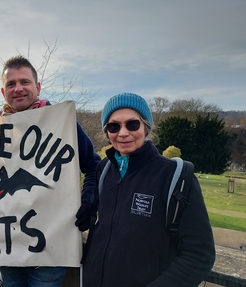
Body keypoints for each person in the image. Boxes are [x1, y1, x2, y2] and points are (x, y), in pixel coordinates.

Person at [82, 92, 215, 286]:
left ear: (146, 126)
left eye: (132, 124)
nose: (123, 133)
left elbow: (200, 254)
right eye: (114, 126)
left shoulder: (175, 176)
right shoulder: (104, 169)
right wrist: (87, 204)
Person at [0, 55, 100, 287]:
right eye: (11, 84)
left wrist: (88, 201)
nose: (18, 88)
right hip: (7, 244)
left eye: (25, 82)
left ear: (38, 87)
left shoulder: (62, 123)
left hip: (50, 245)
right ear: (3, 92)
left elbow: (94, 166)